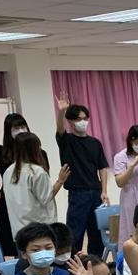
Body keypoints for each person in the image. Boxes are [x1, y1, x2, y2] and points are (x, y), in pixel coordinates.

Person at [0, 103, 62, 257]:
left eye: (22, 126)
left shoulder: (40, 155)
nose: (20, 130)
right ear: (8, 131)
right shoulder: (2, 152)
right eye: (15, 127)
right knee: (18, 242)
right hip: (12, 202)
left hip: (33, 201)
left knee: (34, 241)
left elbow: (43, 187)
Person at [55, 91, 109, 255]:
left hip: (96, 192)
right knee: (75, 233)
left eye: (85, 118)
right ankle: (72, 264)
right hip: (78, 193)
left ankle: (95, 262)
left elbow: (102, 168)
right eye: (78, 119)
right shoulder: (67, 140)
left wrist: (104, 190)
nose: (83, 122)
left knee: (97, 233)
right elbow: (60, 129)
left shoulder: (95, 143)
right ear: (71, 121)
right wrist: (62, 111)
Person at [3, 132, 66, 234]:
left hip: (19, 229)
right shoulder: (36, 172)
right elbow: (46, 198)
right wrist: (60, 180)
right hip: (39, 229)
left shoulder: (8, 172)